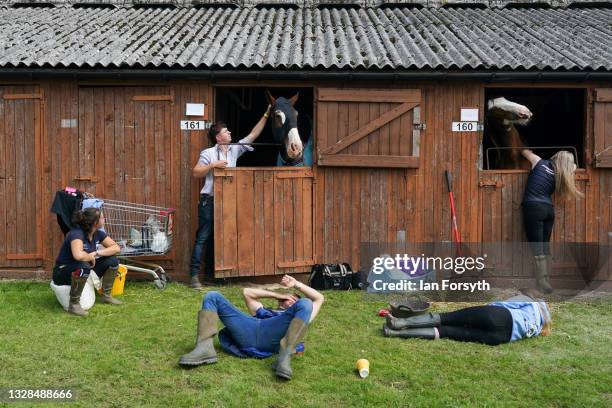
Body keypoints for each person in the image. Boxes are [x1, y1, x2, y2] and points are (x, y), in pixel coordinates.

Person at [178, 275, 324, 380]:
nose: (291, 301)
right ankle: (204, 349)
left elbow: (319, 299)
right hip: (249, 329)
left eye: (294, 300)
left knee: (306, 302)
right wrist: (278, 295)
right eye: (289, 298)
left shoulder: (301, 315)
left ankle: (284, 358)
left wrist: (297, 284)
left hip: (274, 334)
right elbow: (247, 292)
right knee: (212, 296)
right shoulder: (262, 310)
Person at [189, 106, 272, 289]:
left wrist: (266, 114)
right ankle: (194, 276)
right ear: (219, 137)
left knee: (223, 237)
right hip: (208, 201)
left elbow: (253, 134)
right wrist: (213, 165)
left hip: (227, 201)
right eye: (226, 131)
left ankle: (215, 276)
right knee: (203, 237)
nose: (230, 132)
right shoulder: (208, 153)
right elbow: (196, 173)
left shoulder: (234, 149)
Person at [383, 289, 551, 345]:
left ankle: (399, 322)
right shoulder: (538, 328)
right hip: (500, 337)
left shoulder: (532, 302)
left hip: (500, 316)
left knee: (447, 317)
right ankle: (395, 333)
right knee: (446, 332)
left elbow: (504, 304)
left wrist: (486, 308)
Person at [520, 149, 582, 293]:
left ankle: (542, 284)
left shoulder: (538, 162)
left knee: (537, 247)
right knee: (544, 246)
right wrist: (569, 164)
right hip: (548, 210)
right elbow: (572, 167)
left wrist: (524, 149)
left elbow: (524, 152)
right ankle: (545, 280)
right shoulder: (563, 173)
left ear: (554, 157)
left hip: (533, 208)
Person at [51, 208, 122, 316]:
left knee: (113, 260)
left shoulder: (98, 233)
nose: (104, 219)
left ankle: (106, 296)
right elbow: (78, 255)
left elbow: (116, 248)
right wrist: (90, 256)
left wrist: (96, 253)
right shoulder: (76, 234)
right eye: (102, 218)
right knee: (83, 266)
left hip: (84, 268)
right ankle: (74, 305)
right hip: (62, 272)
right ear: (95, 222)